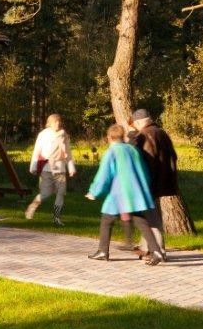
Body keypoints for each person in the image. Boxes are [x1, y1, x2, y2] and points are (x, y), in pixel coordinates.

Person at [85, 123, 165, 265]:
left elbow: (104, 175)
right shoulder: (133, 150)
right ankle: (156, 250)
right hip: (136, 193)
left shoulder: (112, 152)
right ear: (122, 136)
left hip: (119, 193)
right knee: (141, 221)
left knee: (107, 220)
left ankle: (103, 251)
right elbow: (143, 171)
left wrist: (94, 192)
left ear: (109, 137)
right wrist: (143, 189)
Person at [122, 108, 179, 258]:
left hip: (150, 182)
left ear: (138, 122)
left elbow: (146, 160)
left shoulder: (145, 135)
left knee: (151, 216)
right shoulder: (161, 132)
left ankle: (158, 250)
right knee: (148, 214)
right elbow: (173, 156)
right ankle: (146, 246)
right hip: (162, 180)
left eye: (135, 124)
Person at [24, 113, 77, 226]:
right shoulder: (43, 134)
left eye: (59, 121)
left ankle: (56, 218)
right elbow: (37, 150)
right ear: (49, 123)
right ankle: (32, 207)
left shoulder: (64, 134)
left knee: (61, 193)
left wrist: (71, 167)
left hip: (60, 168)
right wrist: (33, 166)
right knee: (45, 194)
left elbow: (68, 152)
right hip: (47, 168)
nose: (58, 123)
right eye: (55, 122)